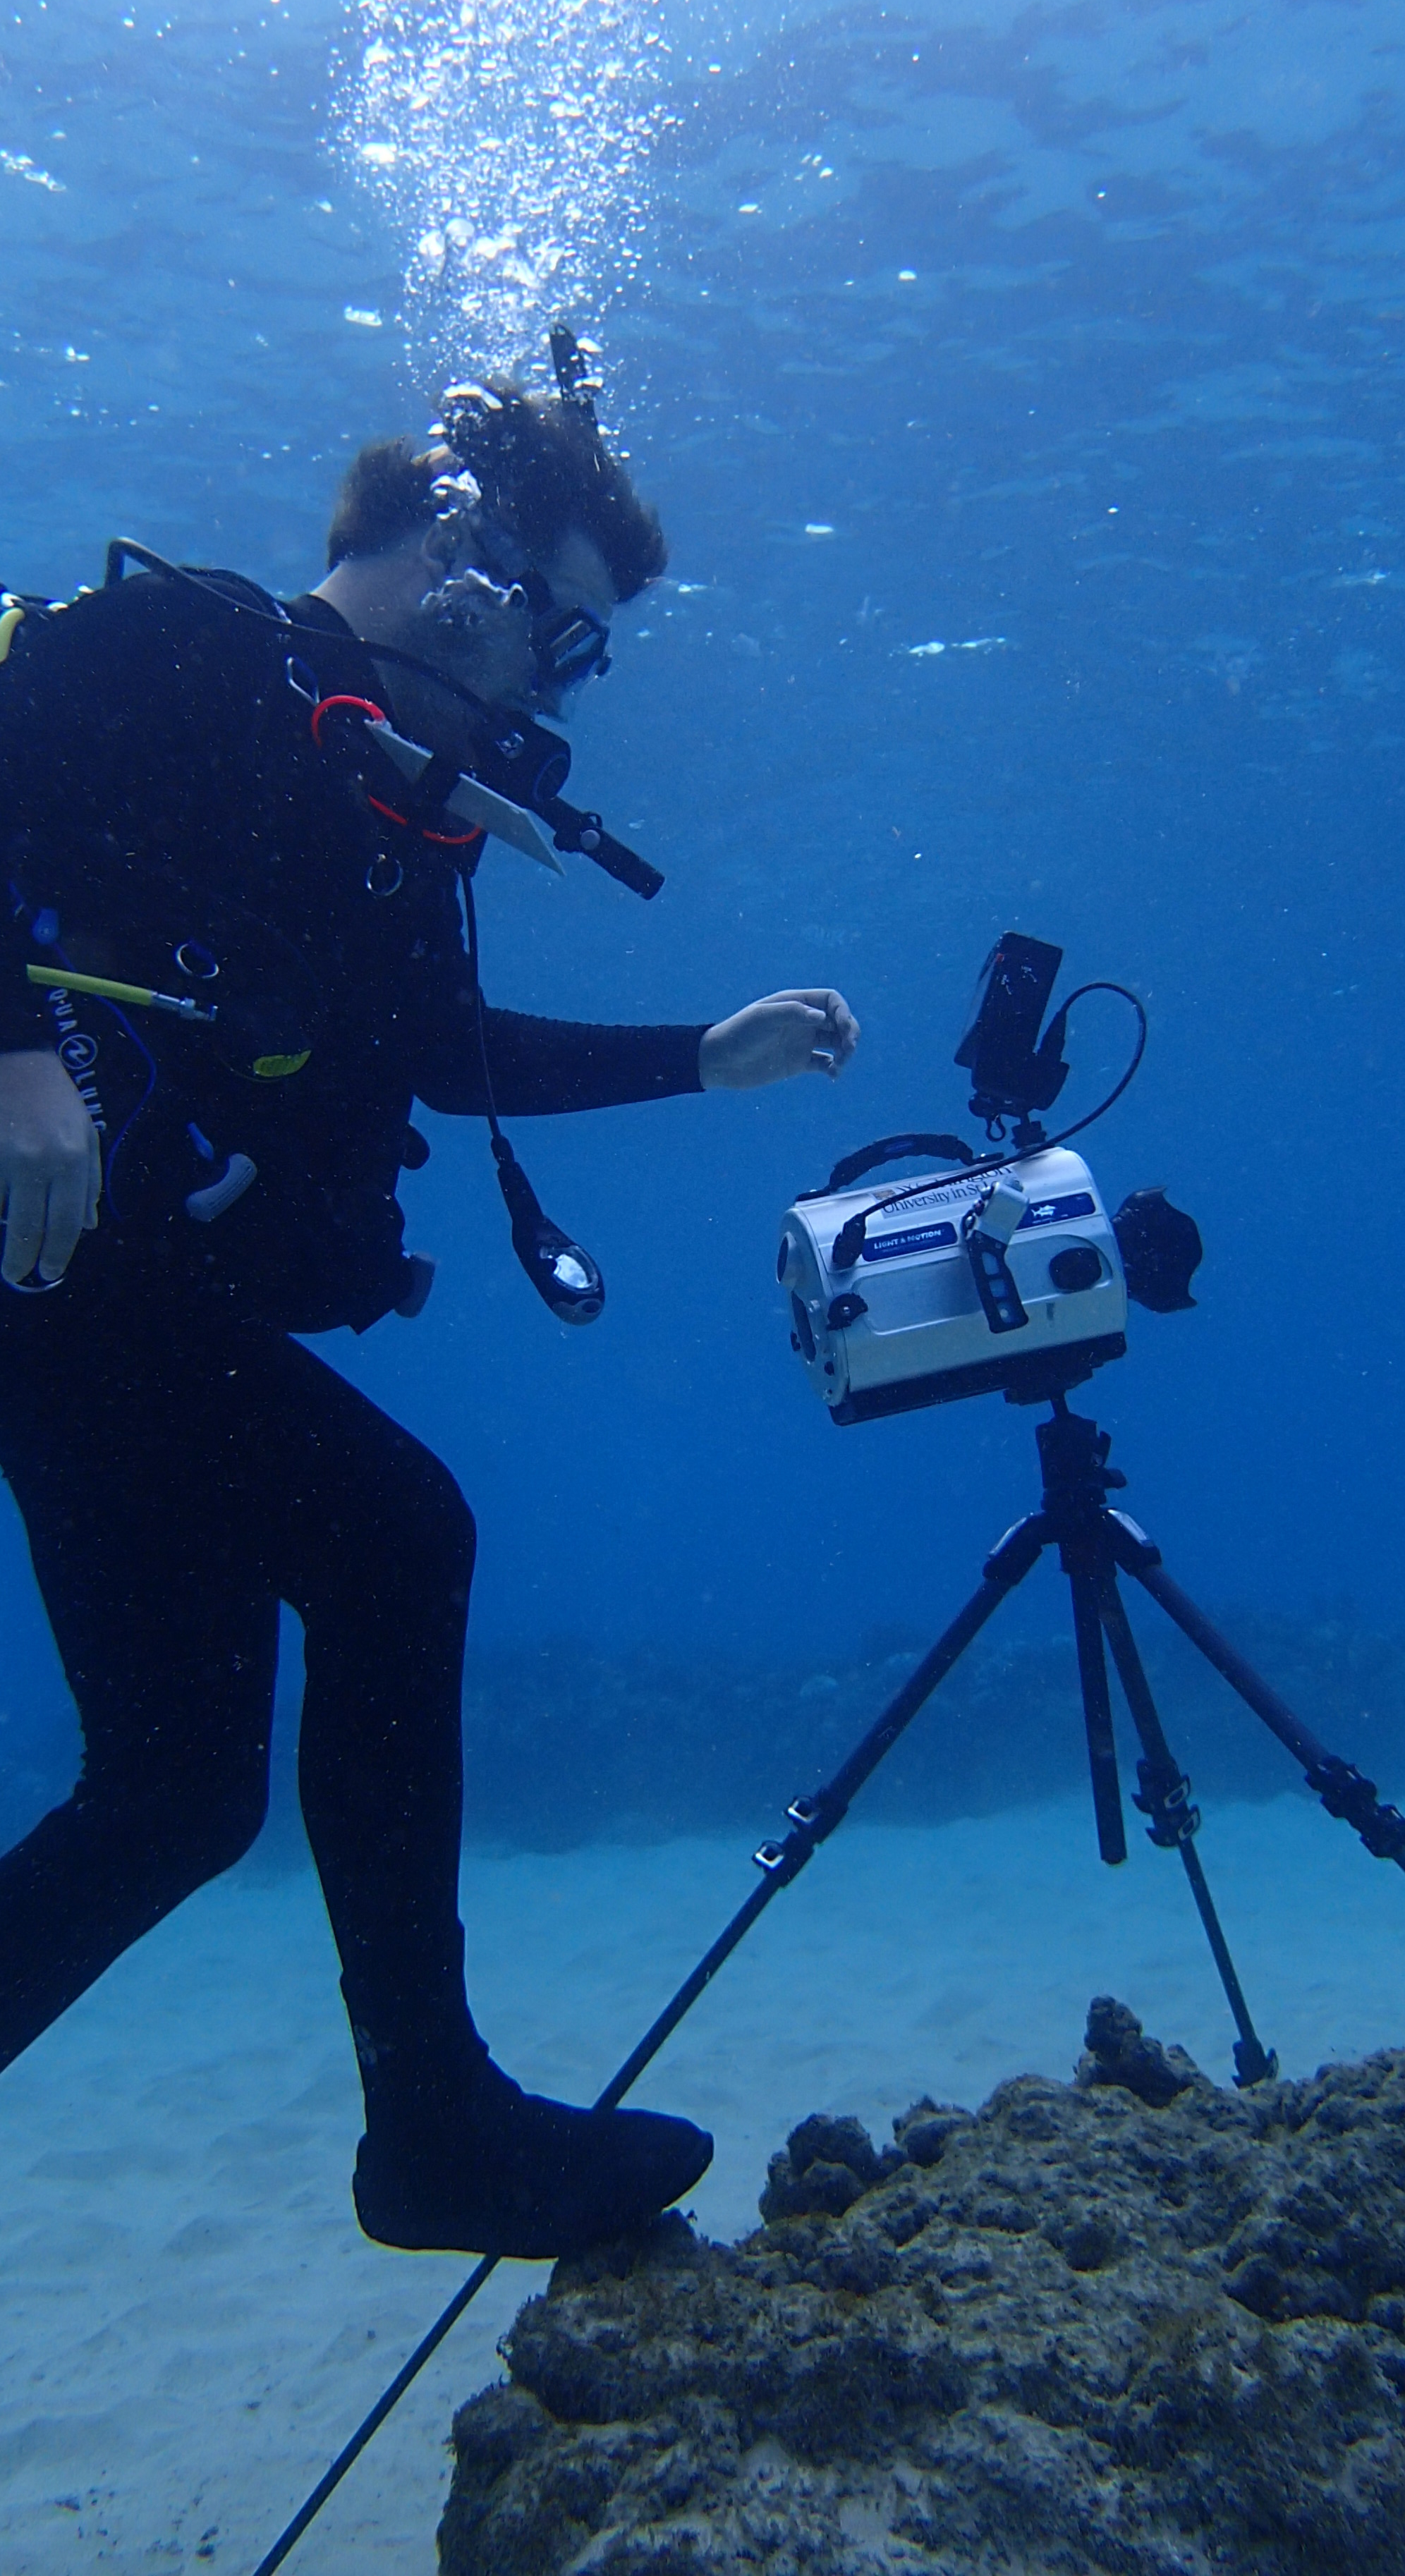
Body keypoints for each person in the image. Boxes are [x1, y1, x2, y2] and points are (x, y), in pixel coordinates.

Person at [0, 364, 859, 2259]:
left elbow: (433, 1056)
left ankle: (436, 2134)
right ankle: (438, 2133)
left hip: (104, 1301)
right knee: (398, 1539)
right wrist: (12, 1052)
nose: (562, 690)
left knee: (171, 1796)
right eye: (566, 634)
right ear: (460, 555)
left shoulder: (377, 810)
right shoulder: (182, 648)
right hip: (65, 1289)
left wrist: (696, 1063)